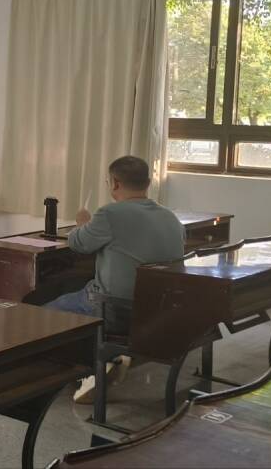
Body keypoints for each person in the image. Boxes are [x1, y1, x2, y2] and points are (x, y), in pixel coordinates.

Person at [47, 155, 184, 402]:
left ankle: (88, 369)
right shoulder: (170, 217)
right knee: (76, 290)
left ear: (115, 184)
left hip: (116, 309)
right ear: (148, 182)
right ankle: (109, 360)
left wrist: (82, 224)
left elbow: (78, 244)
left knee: (43, 312)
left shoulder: (109, 214)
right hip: (160, 310)